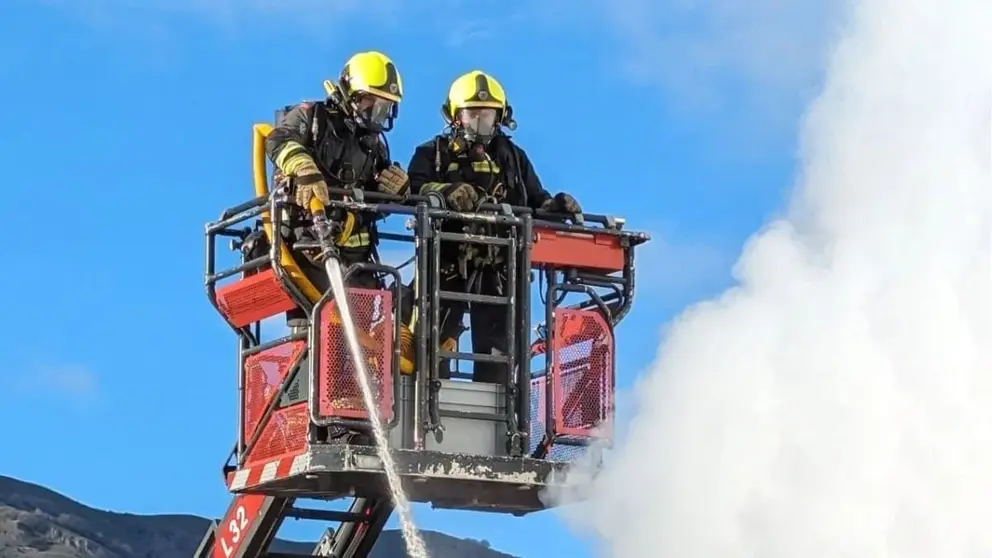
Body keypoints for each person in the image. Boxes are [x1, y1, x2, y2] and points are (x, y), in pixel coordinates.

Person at [404, 70, 582, 384]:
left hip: (498, 270)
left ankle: (499, 401)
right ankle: (429, 392)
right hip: (446, 264)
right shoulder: (432, 155)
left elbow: (534, 200)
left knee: (500, 351)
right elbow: (412, 189)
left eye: (486, 116)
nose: (479, 124)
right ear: (454, 117)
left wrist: (554, 207)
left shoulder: (513, 157)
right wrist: (446, 192)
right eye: (471, 115)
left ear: (500, 117)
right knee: (432, 341)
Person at [262, 50, 411, 327]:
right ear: (348, 93)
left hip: (358, 259)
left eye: (384, 106)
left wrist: (396, 190)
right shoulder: (312, 117)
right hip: (309, 247)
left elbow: (373, 203)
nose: (375, 112)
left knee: (364, 337)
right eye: (369, 101)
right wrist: (303, 168)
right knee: (316, 329)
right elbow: (277, 140)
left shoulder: (374, 145)